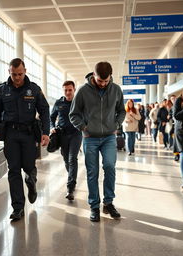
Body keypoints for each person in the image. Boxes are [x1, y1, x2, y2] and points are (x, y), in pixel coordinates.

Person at [0, 58, 50, 221]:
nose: (17, 77)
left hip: (29, 134)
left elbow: (44, 110)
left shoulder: (34, 89)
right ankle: (18, 208)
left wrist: (46, 132)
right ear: (9, 72)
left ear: (25, 71)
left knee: (28, 166)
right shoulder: (2, 90)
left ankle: (31, 181)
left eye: (20, 74)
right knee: (14, 170)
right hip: (10, 135)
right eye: (14, 74)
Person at [69, 62, 125, 222]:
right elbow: (74, 114)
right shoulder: (83, 91)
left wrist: (116, 124)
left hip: (109, 137)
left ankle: (108, 203)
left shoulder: (116, 89)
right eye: (100, 81)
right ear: (94, 76)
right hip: (90, 138)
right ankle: (94, 206)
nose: (103, 84)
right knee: (92, 173)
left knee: (109, 166)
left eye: (106, 81)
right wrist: (84, 128)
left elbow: (121, 110)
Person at [50, 80, 82, 201]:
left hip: (76, 134)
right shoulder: (59, 103)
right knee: (66, 159)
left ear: (74, 90)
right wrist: (52, 127)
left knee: (72, 158)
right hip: (62, 134)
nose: (68, 92)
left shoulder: (79, 102)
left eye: (70, 90)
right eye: (65, 90)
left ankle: (70, 187)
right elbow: (51, 118)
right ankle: (72, 177)